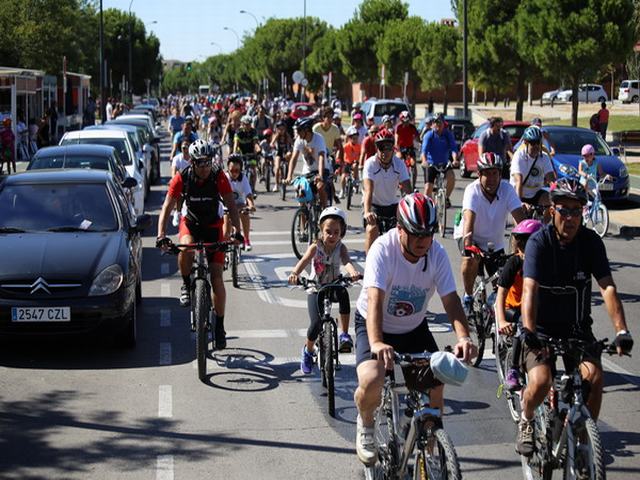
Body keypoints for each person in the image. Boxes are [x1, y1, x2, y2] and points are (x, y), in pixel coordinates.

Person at [353, 192, 477, 465]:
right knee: (372, 379)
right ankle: (366, 422)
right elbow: (374, 300)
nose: (423, 241)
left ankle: (431, 453)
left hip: (413, 326)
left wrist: (464, 336)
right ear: (400, 229)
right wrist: (376, 343)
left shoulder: (436, 253)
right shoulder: (383, 250)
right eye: (416, 234)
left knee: (437, 382)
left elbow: (451, 300)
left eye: (428, 234)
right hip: (376, 325)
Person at [515, 177, 633, 457]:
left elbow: (607, 287)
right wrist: (529, 331)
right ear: (551, 210)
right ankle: (527, 419)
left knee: (594, 377)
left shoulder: (590, 242)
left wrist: (621, 330)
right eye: (564, 210)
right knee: (542, 381)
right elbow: (529, 290)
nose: (570, 218)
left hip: (577, 329)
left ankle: (582, 439)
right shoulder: (539, 243)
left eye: (576, 211)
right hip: (541, 330)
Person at [156, 140, 243, 350]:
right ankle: (186, 284)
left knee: (217, 277)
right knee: (185, 247)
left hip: (214, 225)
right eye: (200, 163)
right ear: (192, 163)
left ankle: (220, 327)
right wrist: (161, 234)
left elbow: (231, 204)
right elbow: (167, 207)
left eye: (207, 162)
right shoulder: (182, 177)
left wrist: (238, 232)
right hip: (191, 223)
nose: (205, 167)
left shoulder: (218, 175)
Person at [288, 207, 360, 373]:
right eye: (328, 231)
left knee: (343, 293)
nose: (332, 236)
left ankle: (344, 334)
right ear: (321, 230)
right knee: (316, 324)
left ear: (342, 232)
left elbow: (347, 261)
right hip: (316, 288)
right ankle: (308, 351)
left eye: (336, 232)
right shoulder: (316, 246)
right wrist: (294, 274)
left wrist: (353, 272)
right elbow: (304, 260)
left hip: (333, 285)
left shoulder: (341, 247)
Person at [455, 152, 526, 315]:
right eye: (487, 173)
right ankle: (468, 296)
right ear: (479, 174)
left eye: (495, 173)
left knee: (501, 288)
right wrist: (469, 247)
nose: (492, 178)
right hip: (470, 237)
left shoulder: (507, 189)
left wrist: (523, 249)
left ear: (501, 174)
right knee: (470, 259)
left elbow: (520, 222)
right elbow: (468, 223)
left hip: (495, 241)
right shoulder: (472, 191)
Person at [495, 219, 544, 391]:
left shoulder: (544, 264)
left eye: (528, 245)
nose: (523, 251)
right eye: (521, 245)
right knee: (522, 323)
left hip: (533, 308)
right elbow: (500, 295)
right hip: (512, 308)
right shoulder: (515, 263)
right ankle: (513, 370)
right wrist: (501, 321)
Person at [362, 130, 412, 253]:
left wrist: (411, 210)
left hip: (392, 205)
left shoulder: (399, 164)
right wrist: (368, 212)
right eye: (381, 147)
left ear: (393, 149)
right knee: (372, 229)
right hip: (374, 205)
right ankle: (369, 265)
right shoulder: (370, 164)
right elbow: (369, 190)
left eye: (388, 148)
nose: (385, 152)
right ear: (376, 148)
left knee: (405, 233)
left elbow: (407, 190)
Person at [509, 126, 555, 221]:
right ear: (526, 142)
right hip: (518, 193)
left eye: (538, 142)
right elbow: (519, 182)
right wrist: (520, 203)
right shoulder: (519, 156)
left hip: (535, 193)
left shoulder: (544, 157)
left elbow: (551, 180)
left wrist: (558, 197)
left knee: (552, 201)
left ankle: (544, 227)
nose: (536, 146)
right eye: (533, 143)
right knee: (520, 228)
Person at [285, 117, 329, 208]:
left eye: (299, 130)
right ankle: (303, 221)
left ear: (306, 130)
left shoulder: (318, 139)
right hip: (307, 171)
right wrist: (289, 176)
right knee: (301, 194)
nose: (297, 133)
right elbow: (294, 158)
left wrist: (320, 175)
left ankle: (325, 210)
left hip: (321, 169)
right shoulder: (299, 140)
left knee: (320, 187)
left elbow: (321, 157)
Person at [421, 114, 459, 206]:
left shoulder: (447, 134)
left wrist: (455, 160)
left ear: (443, 124)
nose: (437, 125)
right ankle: (426, 208)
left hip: (444, 164)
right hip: (431, 165)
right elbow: (424, 151)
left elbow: (453, 148)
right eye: (435, 122)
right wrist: (424, 161)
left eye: (439, 122)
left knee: (451, 177)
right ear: (432, 124)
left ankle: (446, 198)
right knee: (428, 188)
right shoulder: (429, 135)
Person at [225, 154, 255, 251]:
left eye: (237, 171)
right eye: (232, 171)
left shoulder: (244, 179)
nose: (234, 173)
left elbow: (248, 195)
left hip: (239, 205)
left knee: (245, 212)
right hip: (226, 206)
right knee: (225, 233)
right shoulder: (224, 178)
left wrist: (251, 205)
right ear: (228, 169)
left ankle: (246, 240)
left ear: (240, 170)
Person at [271, 120, 293, 192]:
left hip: (286, 152)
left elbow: (292, 143)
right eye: (279, 129)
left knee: (290, 155)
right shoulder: (276, 135)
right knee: (277, 168)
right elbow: (272, 142)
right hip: (278, 153)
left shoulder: (287, 135)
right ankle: (276, 184)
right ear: (277, 129)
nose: (281, 130)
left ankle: (289, 175)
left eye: (282, 129)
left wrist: (291, 149)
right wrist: (272, 145)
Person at [395, 110, 419, 178]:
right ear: (401, 120)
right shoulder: (398, 127)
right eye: (403, 121)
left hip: (410, 147)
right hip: (401, 147)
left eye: (407, 121)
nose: (406, 123)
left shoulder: (412, 127)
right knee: (397, 160)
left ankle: (413, 185)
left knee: (413, 164)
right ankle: (397, 179)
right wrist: (397, 148)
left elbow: (417, 138)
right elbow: (396, 138)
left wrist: (419, 143)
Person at [340, 126, 361, 196]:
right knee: (343, 176)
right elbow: (339, 152)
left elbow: (361, 155)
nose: (355, 140)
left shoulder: (359, 146)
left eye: (356, 138)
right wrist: (338, 159)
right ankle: (342, 190)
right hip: (347, 163)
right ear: (350, 138)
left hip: (354, 162)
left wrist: (360, 162)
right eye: (353, 138)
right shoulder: (346, 146)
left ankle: (355, 180)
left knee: (355, 166)